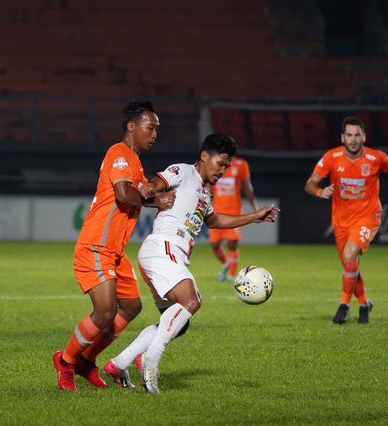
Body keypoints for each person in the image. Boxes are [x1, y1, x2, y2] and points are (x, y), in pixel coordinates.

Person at [103, 133, 279, 393]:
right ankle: (150, 361)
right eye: (221, 163)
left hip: (169, 255)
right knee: (192, 301)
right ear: (205, 156)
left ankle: (118, 364)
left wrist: (254, 216)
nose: (223, 170)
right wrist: (150, 191)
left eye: (227, 166)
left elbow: (216, 221)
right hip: (163, 247)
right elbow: (157, 182)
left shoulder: (205, 193)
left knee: (178, 324)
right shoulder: (184, 172)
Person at [52, 101, 176, 391]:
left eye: (157, 128)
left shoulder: (135, 161)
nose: (155, 133)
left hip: (115, 252)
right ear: (131, 126)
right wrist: (155, 199)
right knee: (105, 310)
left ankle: (87, 361)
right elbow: (124, 193)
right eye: (150, 127)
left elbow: (142, 190)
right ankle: (66, 361)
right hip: (95, 244)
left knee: (131, 306)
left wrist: (167, 188)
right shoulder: (118, 153)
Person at [305, 116, 388, 325]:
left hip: (368, 216)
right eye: (349, 135)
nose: (353, 139)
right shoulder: (331, 157)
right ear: (343, 137)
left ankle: (344, 305)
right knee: (350, 265)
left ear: (364, 136)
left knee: (350, 254)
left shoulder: (376, 158)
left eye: (357, 135)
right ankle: (364, 303)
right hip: (341, 220)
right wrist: (320, 192)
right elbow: (310, 184)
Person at [209, 155, 258, 282]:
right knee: (214, 245)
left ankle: (231, 275)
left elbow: (247, 187)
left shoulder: (241, 165)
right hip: (216, 212)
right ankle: (225, 264)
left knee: (232, 243)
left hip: (234, 211)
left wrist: (255, 209)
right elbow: (208, 185)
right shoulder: (213, 164)